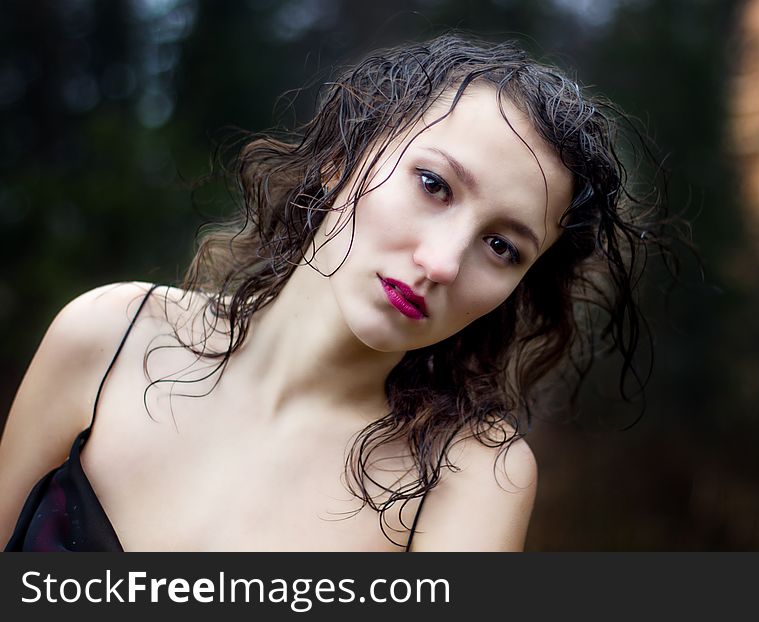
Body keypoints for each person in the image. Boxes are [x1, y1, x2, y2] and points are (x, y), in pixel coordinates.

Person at [0, 34, 660, 551]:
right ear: (341, 158)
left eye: (501, 247)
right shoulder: (107, 336)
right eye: (434, 186)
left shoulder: (466, 479)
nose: (440, 262)